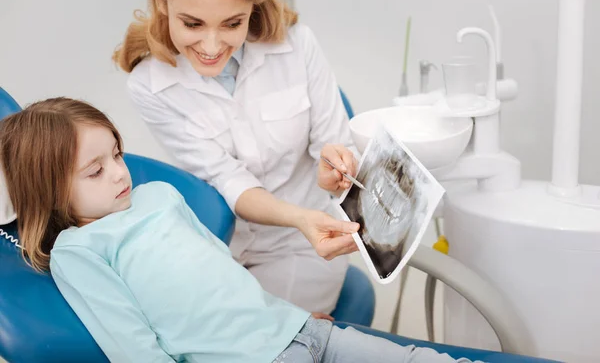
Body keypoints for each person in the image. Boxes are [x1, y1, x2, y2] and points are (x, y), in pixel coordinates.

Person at [0, 97, 481, 363]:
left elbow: (225, 275)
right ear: (51, 192)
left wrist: (292, 316)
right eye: (95, 171)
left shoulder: (159, 196)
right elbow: (133, 347)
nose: (120, 173)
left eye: (117, 155)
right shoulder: (79, 249)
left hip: (301, 331)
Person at [113, 0, 360, 314]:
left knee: (269, 341)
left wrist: (333, 171)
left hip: (304, 241)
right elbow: (227, 178)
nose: (211, 46)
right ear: (162, 2)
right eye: (192, 23)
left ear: (252, 8)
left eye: (232, 23)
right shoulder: (149, 84)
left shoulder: (298, 45)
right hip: (220, 244)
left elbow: (335, 145)